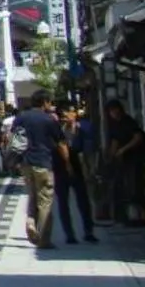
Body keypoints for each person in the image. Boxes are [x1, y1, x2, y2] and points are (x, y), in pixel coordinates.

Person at [12, 89, 65, 250]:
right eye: (49, 102)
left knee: (32, 196)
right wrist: (67, 163)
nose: (50, 105)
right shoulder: (49, 120)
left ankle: (30, 222)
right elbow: (61, 142)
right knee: (45, 201)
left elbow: (13, 137)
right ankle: (44, 239)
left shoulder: (21, 117)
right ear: (45, 102)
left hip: (25, 163)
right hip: (43, 162)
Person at [57, 103, 99, 243]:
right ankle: (69, 234)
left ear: (75, 114)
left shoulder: (83, 129)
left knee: (84, 201)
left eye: (68, 113)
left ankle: (88, 232)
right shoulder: (58, 130)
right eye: (63, 114)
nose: (66, 116)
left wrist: (91, 168)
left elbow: (89, 150)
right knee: (63, 202)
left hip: (79, 168)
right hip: (61, 169)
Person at [104, 100, 145, 223]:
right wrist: (111, 157)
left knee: (137, 185)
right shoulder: (115, 124)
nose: (113, 113)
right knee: (124, 187)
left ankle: (144, 215)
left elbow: (138, 137)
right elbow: (115, 141)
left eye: (114, 110)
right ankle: (127, 216)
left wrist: (123, 149)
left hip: (135, 158)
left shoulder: (128, 122)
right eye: (110, 111)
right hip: (123, 161)